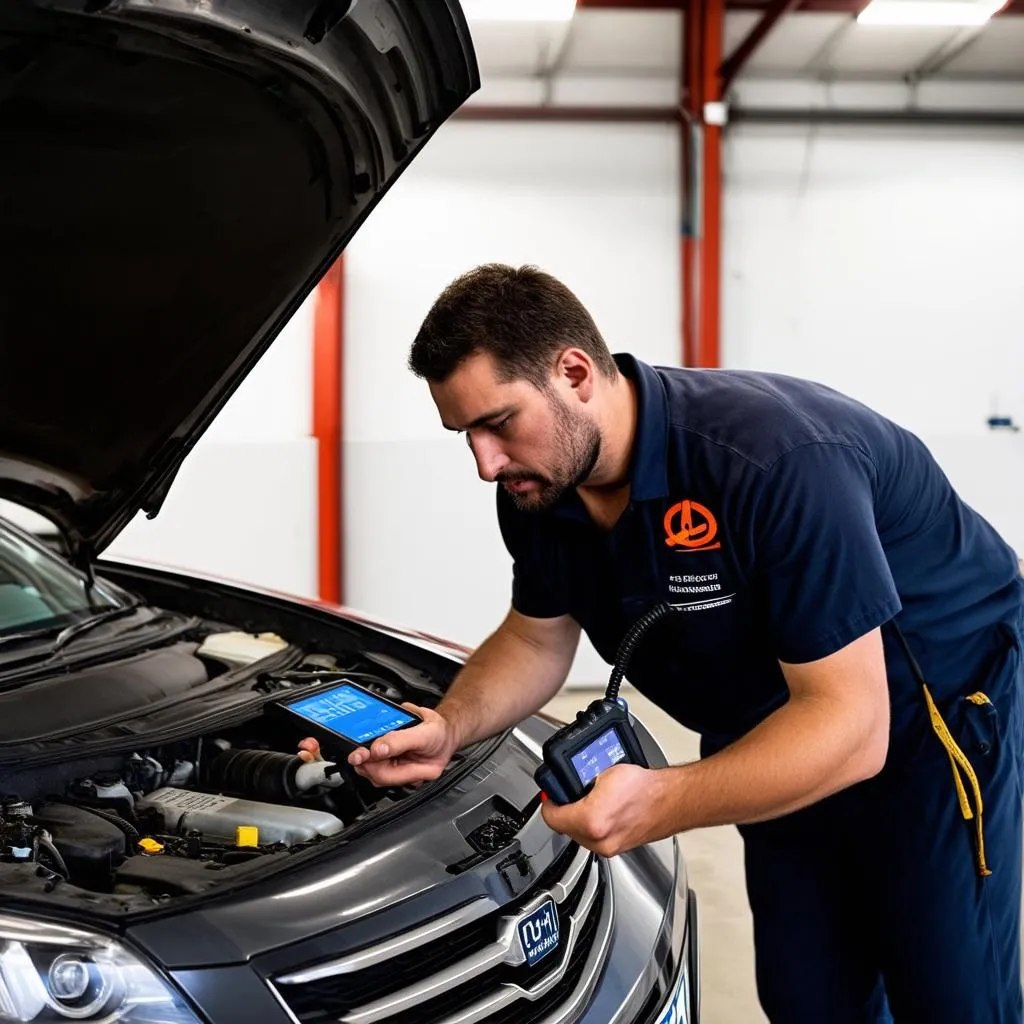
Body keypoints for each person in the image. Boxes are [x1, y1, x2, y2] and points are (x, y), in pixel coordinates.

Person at [299, 264, 1023, 1023]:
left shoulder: (773, 461)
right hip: (773, 716)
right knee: (810, 995)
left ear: (574, 373)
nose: (486, 461)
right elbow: (538, 636)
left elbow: (854, 727)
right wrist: (453, 724)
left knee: (949, 993)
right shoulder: (539, 487)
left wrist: (661, 801)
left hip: (926, 717)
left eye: (499, 423)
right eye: (465, 435)